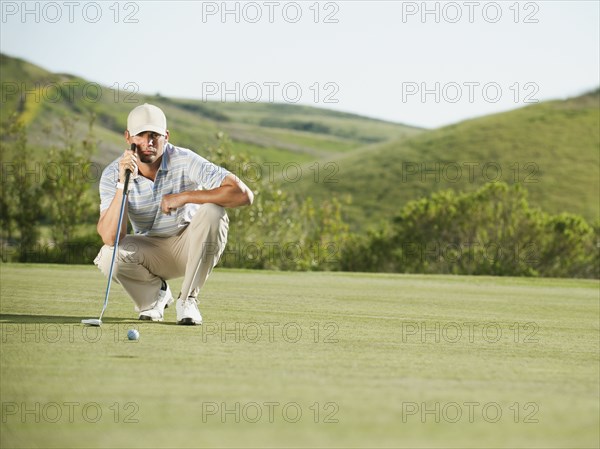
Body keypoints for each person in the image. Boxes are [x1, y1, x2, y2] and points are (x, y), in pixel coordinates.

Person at [94, 103, 253, 325]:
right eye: (141, 135)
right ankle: (155, 297)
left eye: (155, 136)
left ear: (166, 137)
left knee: (213, 211)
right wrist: (123, 184)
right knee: (109, 254)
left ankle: (187, 301)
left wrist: (185, 197)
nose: (149, 143)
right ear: (128, 137)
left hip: (189, 247)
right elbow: (111, 237)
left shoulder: (185, 159)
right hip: (149, 253)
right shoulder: (113, 173)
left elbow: (243, 194)